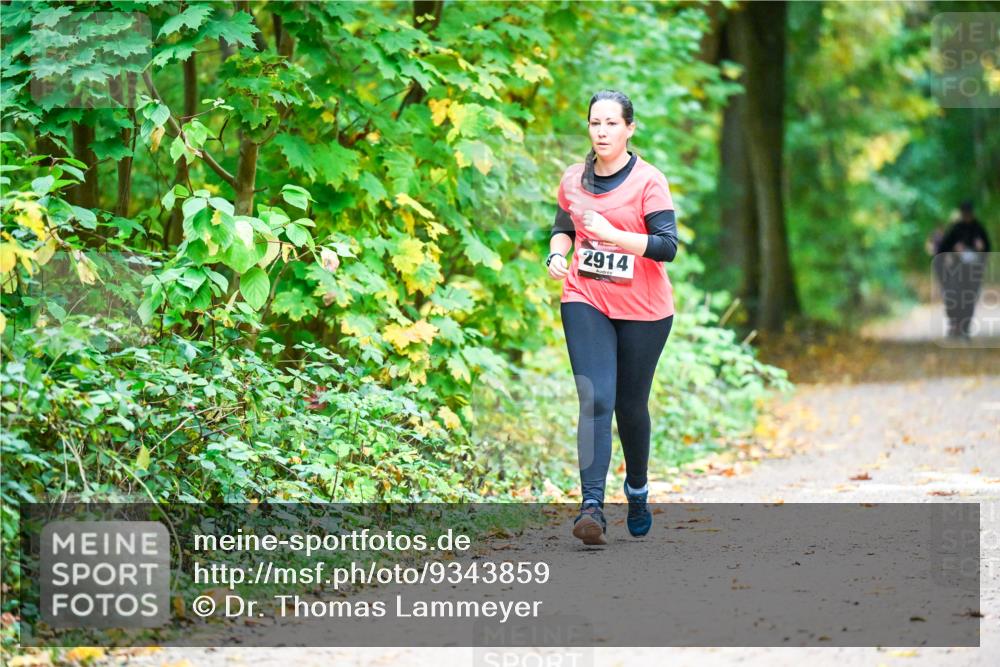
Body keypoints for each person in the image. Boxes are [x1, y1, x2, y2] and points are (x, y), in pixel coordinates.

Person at [546, 90, 678, 545]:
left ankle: (637, 489)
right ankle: (591, 508)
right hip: (586, 297)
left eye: (611, 124)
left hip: (644, 309)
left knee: (629, 405)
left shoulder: (649, 181)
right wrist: (555, 255)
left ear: (629, 128)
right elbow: (563, 229)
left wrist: (615, 236)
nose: (601, 131)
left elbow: (667, 246)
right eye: (594, 123)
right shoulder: (572, 179)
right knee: (595, 397)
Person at [932, 200, 992, 339]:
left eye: (968, 214)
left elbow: (988, 249)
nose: (967, 217)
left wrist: (981, 249)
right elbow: (941, 250)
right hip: (956, 271)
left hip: (974, 271)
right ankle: (955, 325)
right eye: (965, 214)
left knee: (969, 298)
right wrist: (953, 252)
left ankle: (965, 328)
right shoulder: (955, 229)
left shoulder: (979, 228)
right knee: (954, 297)